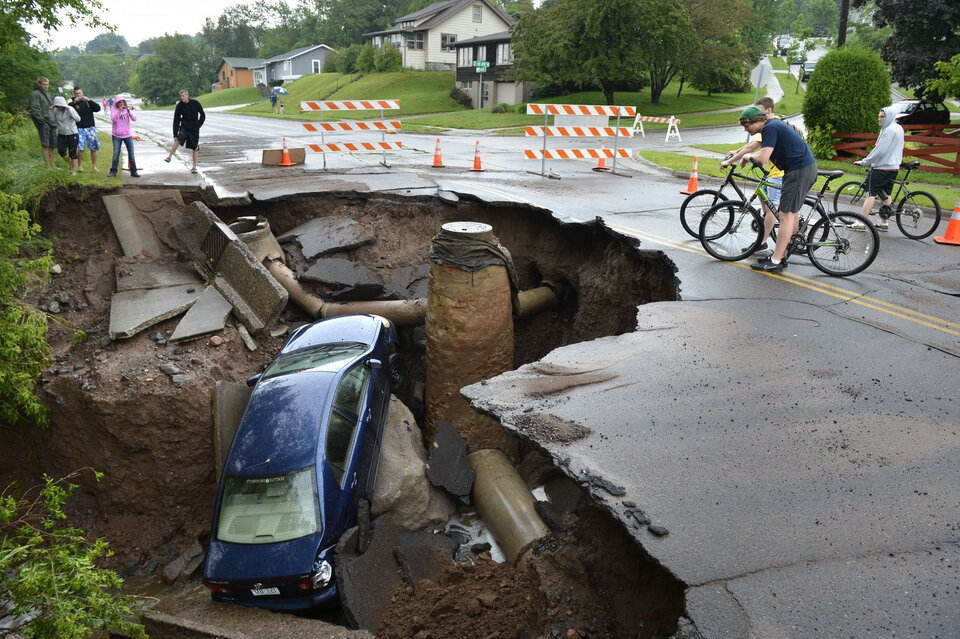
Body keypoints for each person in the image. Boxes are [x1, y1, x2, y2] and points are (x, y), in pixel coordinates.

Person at [736, 105, 818, 273]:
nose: (746, 130)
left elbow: (763, 158)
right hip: (801, 169)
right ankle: (782, 255)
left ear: (756, 121)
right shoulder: (773, 125)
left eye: (747, 125)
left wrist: (747, 156)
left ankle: (775, 261)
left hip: (799, 171)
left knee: (785, 215)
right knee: (791, 214)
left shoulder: (770, 128)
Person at [720, 97, 785, 257]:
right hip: (772, 171)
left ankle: (761, 243)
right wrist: (737, 153)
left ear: (768, 111)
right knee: (763, 196)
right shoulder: (770, 124)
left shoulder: (770, 126)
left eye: (760, 111)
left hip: (779, 173)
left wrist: (731, 160)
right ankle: (766, 224)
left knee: (772, 209)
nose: (757, 114)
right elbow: (752, 147)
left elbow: (752, 147)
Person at [850, 105, 904, 232]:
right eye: (879, 116)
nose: (879, 119)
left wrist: (865, 161)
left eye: (882, 117)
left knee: (870, 194)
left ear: (889, 117)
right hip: (893, 168)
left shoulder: (888, 130)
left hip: (881, 168)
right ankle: (884, 222)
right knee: (886, 195)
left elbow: (880, 150)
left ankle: (861, 222)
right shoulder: (898, 128)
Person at [164, 89, 205, 174]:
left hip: (194, 128)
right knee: (178, 139)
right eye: (181, 96)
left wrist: (198, 124)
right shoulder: (180, 105)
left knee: (195, 147)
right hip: (184, 126)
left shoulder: (195, 103)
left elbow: (203, 115)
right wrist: (175, 134)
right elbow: (176, 120)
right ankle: (169, 157)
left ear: (187, 95)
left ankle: (194, 167)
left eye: (183, 96)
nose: (181, 98)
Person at [27, 77, 58, 169]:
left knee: (52, 144)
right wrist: (41, 120)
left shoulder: (48, 94)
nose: (46, 86)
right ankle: (47, 166)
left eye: (47, 84)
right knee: (45, 144)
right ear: (39, 84)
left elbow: (49, 107)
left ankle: (53, 165)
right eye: (44, 84)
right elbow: (34, 108)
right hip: (43, 122)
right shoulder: (35, 94)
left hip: (51, 121)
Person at [69, 87, 101, 172]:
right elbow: (67, 110)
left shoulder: (87, 101)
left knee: (93, 148)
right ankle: (80, 166)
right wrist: (74, 102)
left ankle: (94, 166)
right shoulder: (72, 103)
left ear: (82, 93)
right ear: (74, 94)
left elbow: (98, 109)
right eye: (76, 94)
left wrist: (89, 100)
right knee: (80, 148)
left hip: (90, 128)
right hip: (79, 128)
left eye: (79, 93)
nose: (78, 95)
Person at [108, 94, 139, 178]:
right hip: (116, 135)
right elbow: (113, 120)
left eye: (122, 102)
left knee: (131, 154)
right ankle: (113, 171)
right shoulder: (113, 109)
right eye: (119, 102)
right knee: (116, 154)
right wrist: (119, 111)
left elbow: (134, 119)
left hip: (127, 135)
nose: (121, 104)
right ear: (116, 103)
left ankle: (134, 171)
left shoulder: (126, 110)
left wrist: (128, 111)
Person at [50, 96, 81, 175]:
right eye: (57, 105)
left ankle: (74, 171)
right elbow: (52, 121)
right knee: (61, 151)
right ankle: (72, 165)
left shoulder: (70, 109)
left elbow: (78, 119)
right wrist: (51, 111)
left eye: (60, 105)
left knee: (73, 153)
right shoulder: (56, 111)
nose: (59, 106)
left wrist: (70, 112)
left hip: (72, 133)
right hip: (61, 134)